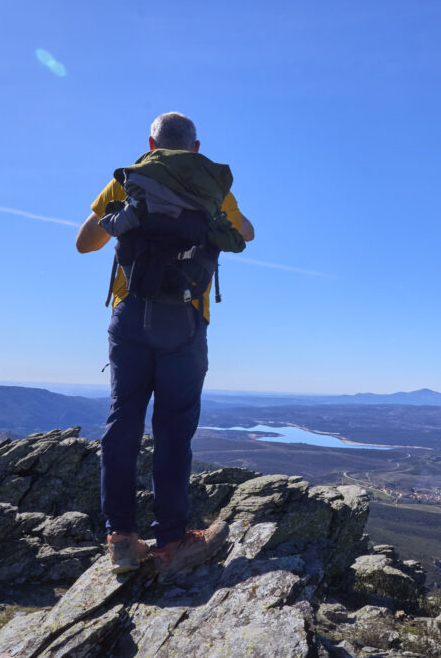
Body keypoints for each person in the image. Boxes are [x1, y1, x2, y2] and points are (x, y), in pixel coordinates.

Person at [75, 112, 254, 580]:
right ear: (196, 148)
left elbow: (85, 242)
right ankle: (173, 541)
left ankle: (121, 540)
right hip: (186, 319)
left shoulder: (129, 179)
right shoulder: (211, 185)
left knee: (124, 419)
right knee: (174, 428)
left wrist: (128, 215)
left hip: (130, 313)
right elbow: (247, 233)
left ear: (151, 142)